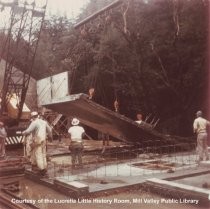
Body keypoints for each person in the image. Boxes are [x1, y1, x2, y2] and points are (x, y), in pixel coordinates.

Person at [22, 111, 52, 176]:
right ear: (37, 115)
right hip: (44, 140)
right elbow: (50, 130)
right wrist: (50, 137)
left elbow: (28, 131)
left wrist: (23, 132)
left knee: (38, 155)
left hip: (37, 141)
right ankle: (45, 168)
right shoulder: (44, 122)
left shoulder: (34, 122)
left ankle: (42, 170)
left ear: (32, 117)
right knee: (43, 154)